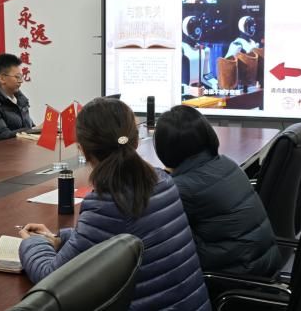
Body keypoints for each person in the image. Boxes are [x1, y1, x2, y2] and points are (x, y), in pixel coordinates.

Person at [18, 98, 210, 310]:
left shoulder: (109, 203)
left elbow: (51, 278)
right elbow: (116, 234)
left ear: (82, 149)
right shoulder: (162, 180)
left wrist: (34, 243)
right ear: (135, 142)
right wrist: (61, 239)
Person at [153, 105, 281, 277]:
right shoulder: (225, 163)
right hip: (261, 265)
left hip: (234, 276)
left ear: (165, 149)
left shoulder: (184, 188)